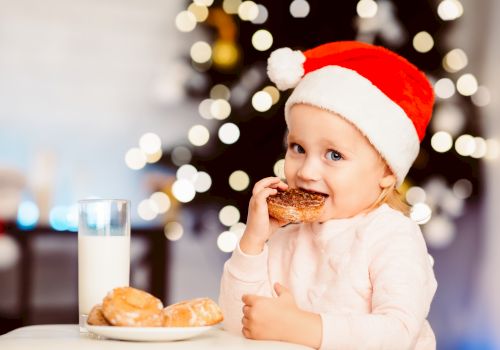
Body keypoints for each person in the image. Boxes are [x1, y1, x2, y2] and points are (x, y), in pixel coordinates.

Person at [218, 41, 438, 349]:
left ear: (387, 171)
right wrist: (253, 243)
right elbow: (237, 322)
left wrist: (303, 328)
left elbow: (399, 332)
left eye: (334, 155)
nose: (306, 171)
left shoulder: (391, 235)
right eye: (298, 148)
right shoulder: (286, 237)